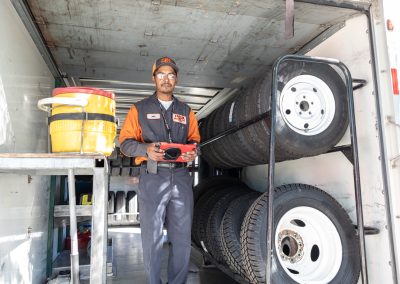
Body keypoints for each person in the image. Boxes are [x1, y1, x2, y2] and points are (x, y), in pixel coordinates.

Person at [119, 56, 200, 284]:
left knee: (182, 239)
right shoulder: (139, 109)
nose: (166, 79)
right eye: (161, 74)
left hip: (182, 178)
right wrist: (145, 149)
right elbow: (124, 143)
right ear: (153, 78)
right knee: (152, 237)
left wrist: (193, 151)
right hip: (153, 176)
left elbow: (195, 140)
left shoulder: (186, 111)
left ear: (176, 79)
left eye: (171, 75)